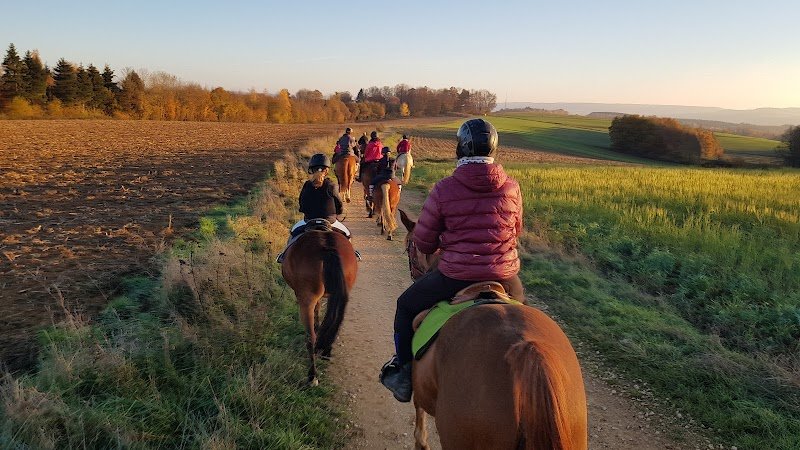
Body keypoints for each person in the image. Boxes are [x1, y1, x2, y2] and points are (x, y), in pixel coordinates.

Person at [379, 119, 524, 402]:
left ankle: (404, 372)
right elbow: (516, 230)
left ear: (460, 149)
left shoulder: (444, 189)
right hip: (505, 274)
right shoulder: (512, 187)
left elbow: (424, 242)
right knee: (524, 315)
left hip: (456, 274)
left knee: (405, 306)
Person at [276, 153, 359, 263]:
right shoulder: (331, 185)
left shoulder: (307, 185)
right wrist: (338, 212)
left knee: (293, 233)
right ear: (327, 170)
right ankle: (352, 255)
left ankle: (284, 255)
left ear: (311, 169)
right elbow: (339, 204)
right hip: (330, 222)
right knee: (347, 234)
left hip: (309, 221)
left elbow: (302, 205)